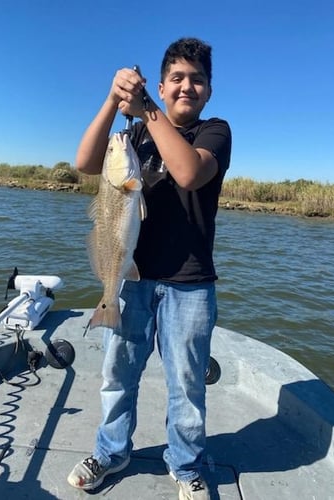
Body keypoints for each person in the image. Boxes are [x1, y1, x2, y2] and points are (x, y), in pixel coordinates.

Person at [68, 37, 232, 499]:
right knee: (118, 375)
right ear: (161, 85)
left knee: (186, 383)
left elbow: (187, 173)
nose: (187, 86)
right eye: (177, 78)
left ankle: (186, 466)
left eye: (196, 79)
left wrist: (146, 111)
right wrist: (113, 100)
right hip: (131, 280)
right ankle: (111, 451)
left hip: (190, 284)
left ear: (208, 90)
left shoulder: (214, 132)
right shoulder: (133, 137)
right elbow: (85, 164)